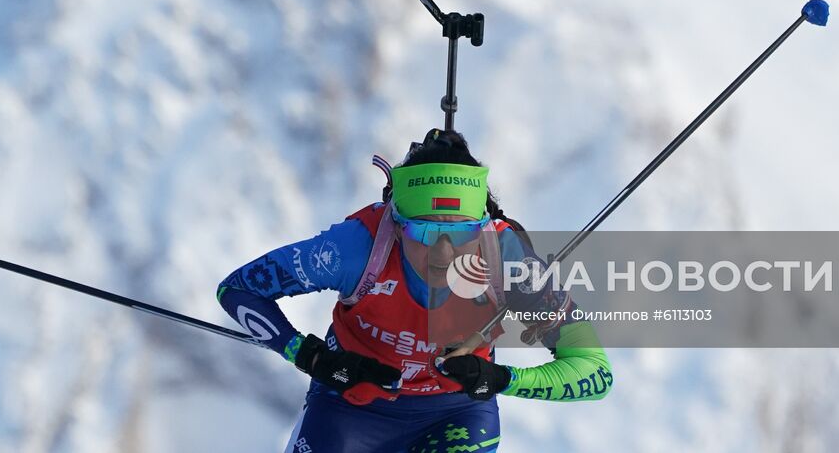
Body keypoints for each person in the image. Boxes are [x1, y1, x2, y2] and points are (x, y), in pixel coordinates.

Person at [217, 128, 613, 452]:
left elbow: (595, 370)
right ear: (396, 221)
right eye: (423, 230)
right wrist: (309, 356)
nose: (443, 251)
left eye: (460, 231)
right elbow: (237, 290)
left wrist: (501, 378)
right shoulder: (357, 248)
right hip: (351, 407)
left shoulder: (508, 259)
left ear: (482, 225)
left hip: (456, 416)